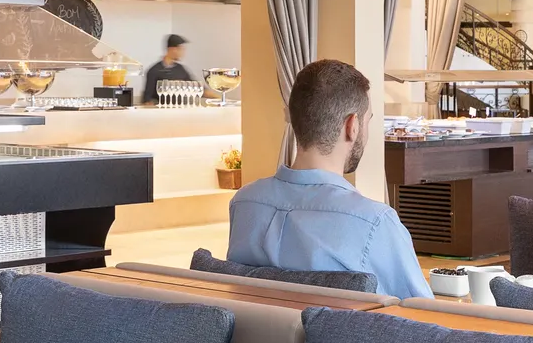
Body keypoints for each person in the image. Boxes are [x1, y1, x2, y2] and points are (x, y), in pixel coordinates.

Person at [226, 59, 431, 299]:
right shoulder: (374, 222)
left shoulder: (245, 203)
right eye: (368, 121)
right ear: (352, 126)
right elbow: (422, 311)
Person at [140, 33, 198, 105]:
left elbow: (196, 87)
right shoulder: (154, 71)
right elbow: (147, 100)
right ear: (172, 49)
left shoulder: (181, 69)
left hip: (182, 109)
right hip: (163, 110)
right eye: (181, 49)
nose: (183, 53)